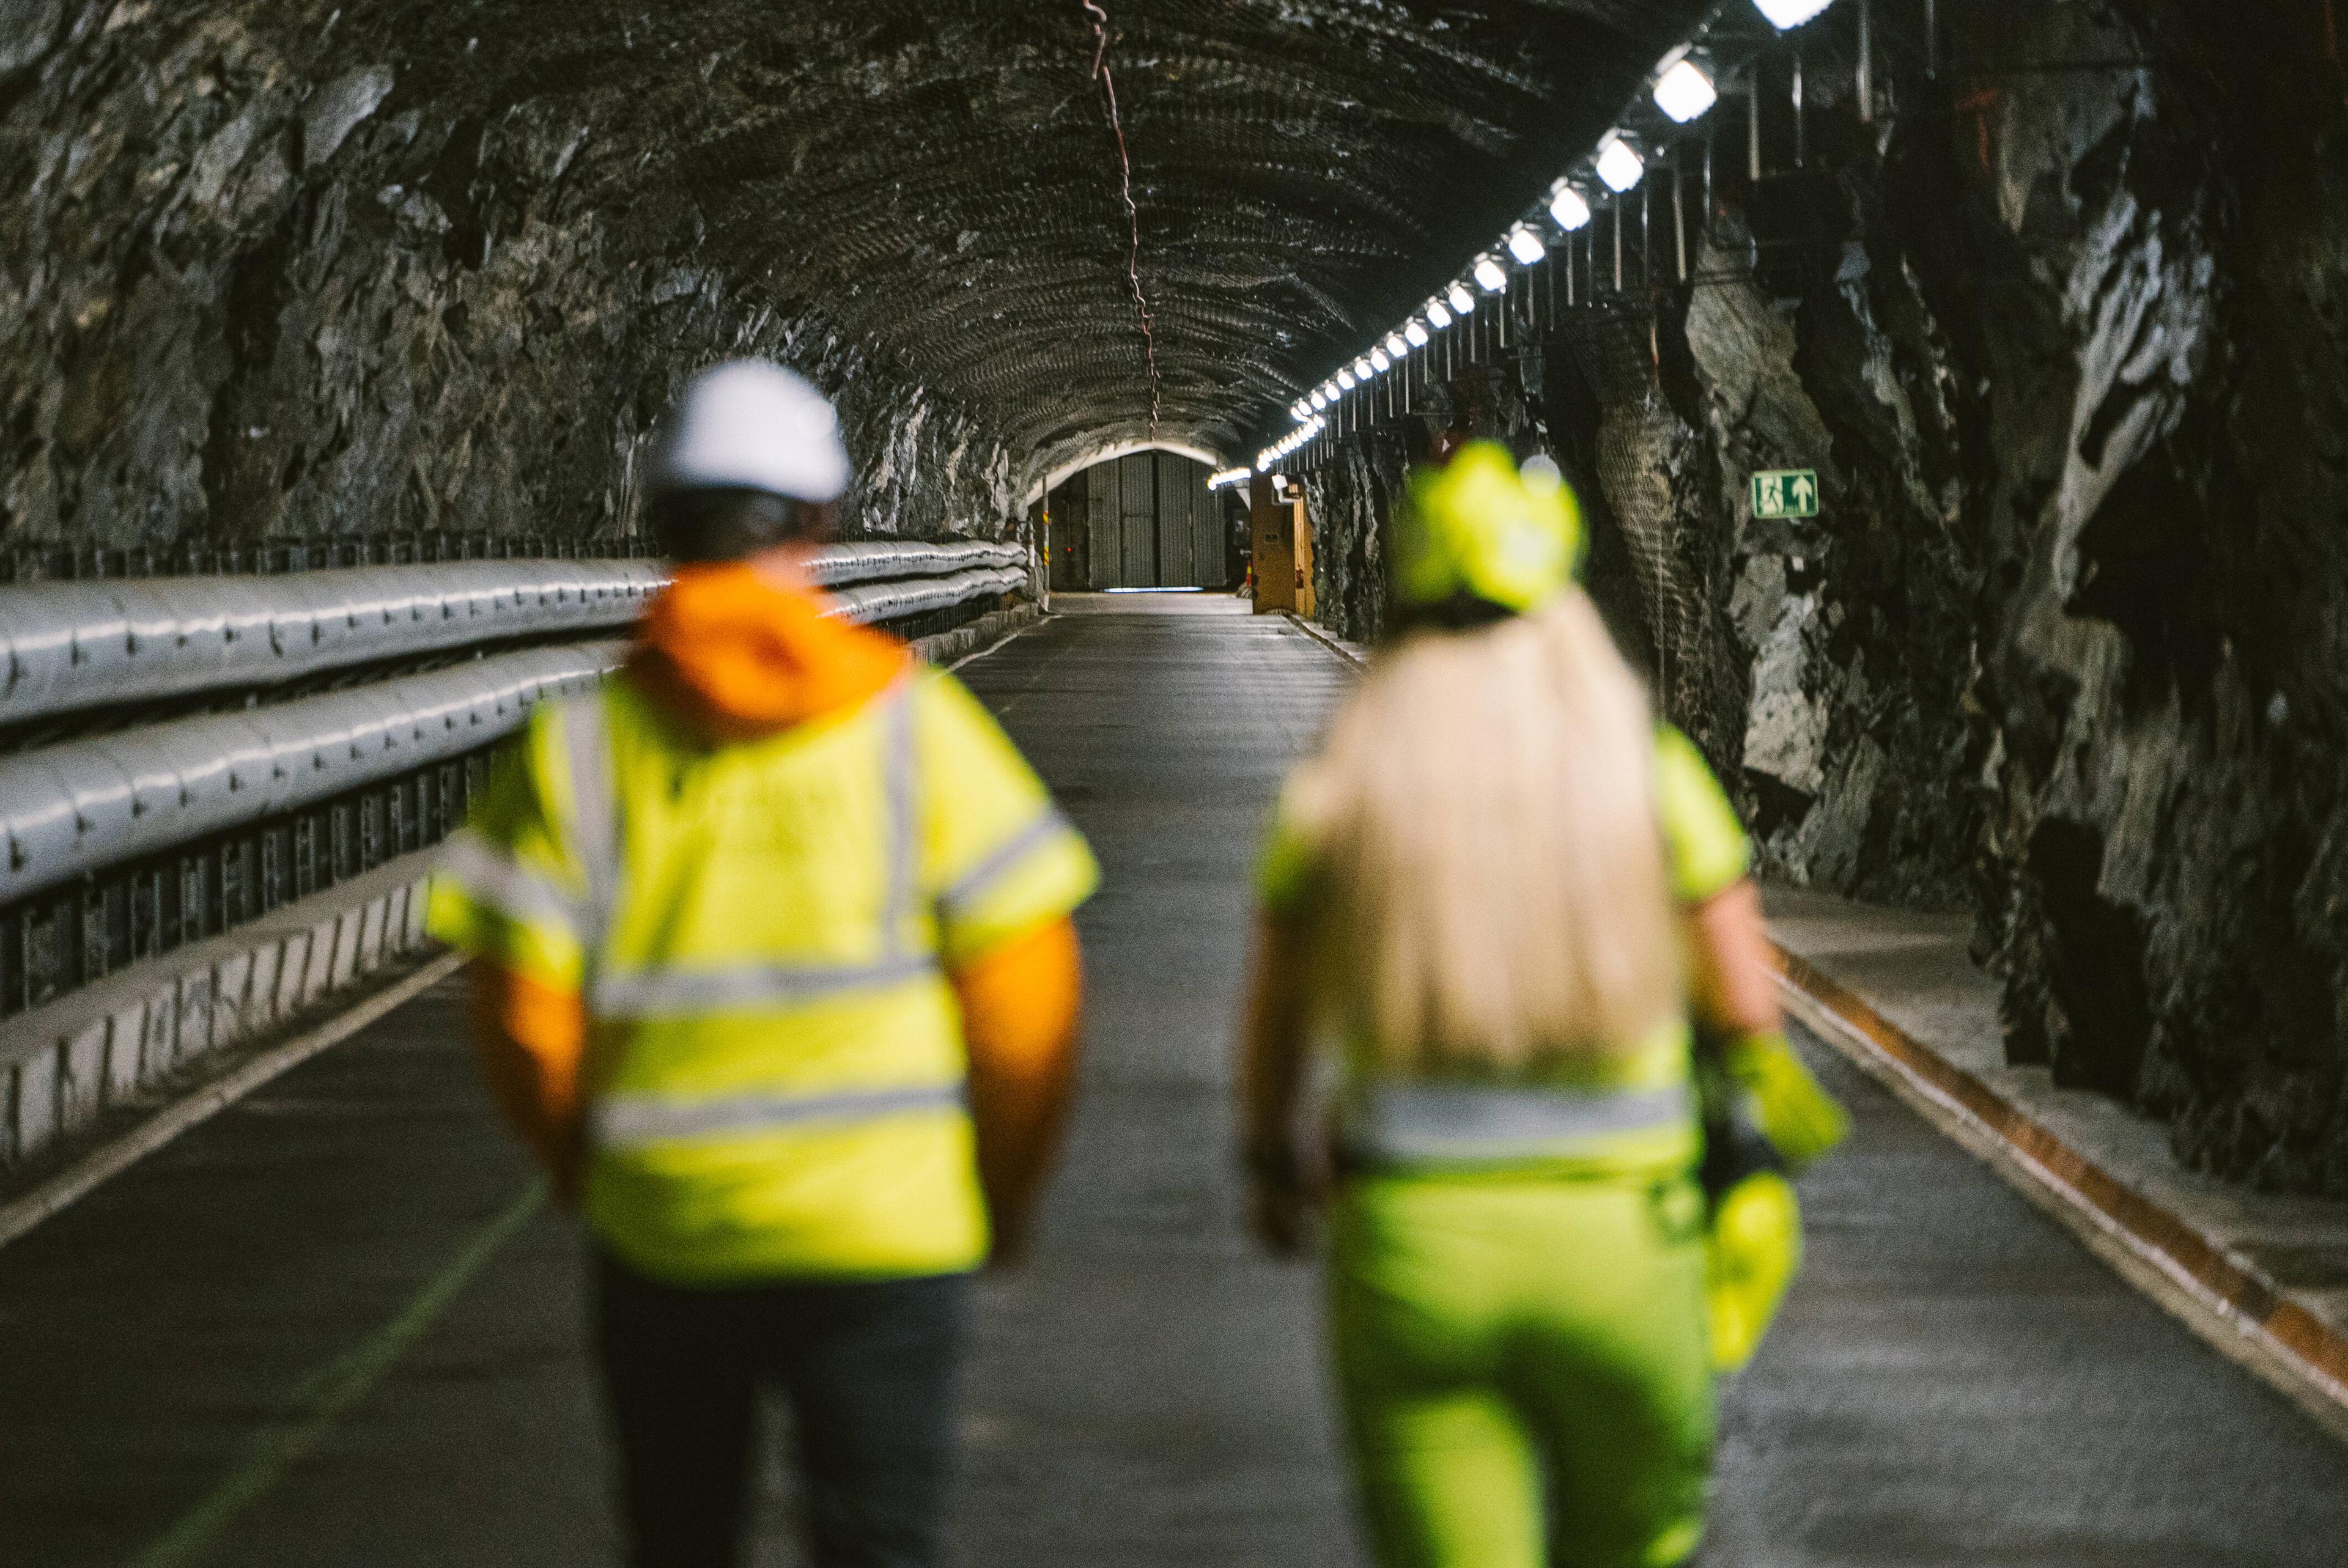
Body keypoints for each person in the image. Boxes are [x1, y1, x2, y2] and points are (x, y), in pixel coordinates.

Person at [428, 360, 1099, 1568]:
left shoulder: (577, 749)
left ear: (657, 524)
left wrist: (592, 1161)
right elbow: (1026, 1003)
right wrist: (1000, 1191)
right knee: (878, 1537)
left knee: (683, 1535)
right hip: (889, 1232)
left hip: (668, 1231)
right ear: (822, 523)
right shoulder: (917, 726)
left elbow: (523, 1017)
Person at [1236, 441, 1845, 1568]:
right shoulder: (1642, 770)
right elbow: (1745, 1005)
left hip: (1413, 1247)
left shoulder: (1345, 782)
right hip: (1627, 1244)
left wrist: (1273, 1163)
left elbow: (1275, 1022)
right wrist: (1759, 1156)